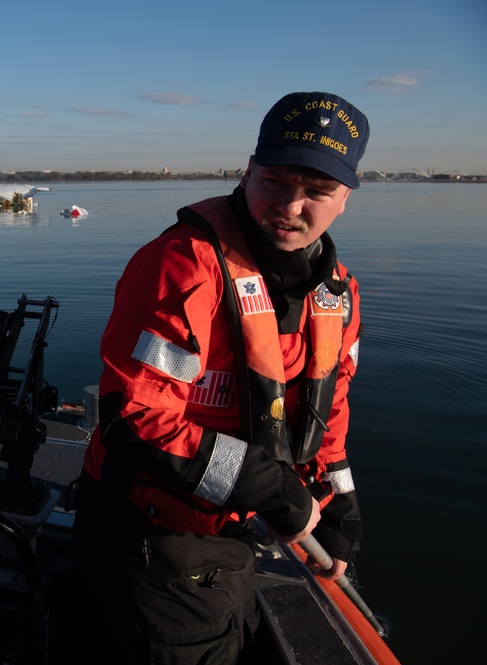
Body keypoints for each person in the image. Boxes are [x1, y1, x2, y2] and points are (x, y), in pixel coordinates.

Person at [72, 91, 370, 664]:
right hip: (152, 533)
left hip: (237, 529)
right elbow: (134, 418)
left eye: (317, 192)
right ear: (248, 171)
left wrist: (340, 506)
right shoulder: (182, 267)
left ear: (345, 200)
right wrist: (271, 487)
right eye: (276, 182)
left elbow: (328, 417)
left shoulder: (339, 295)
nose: (291, 205)